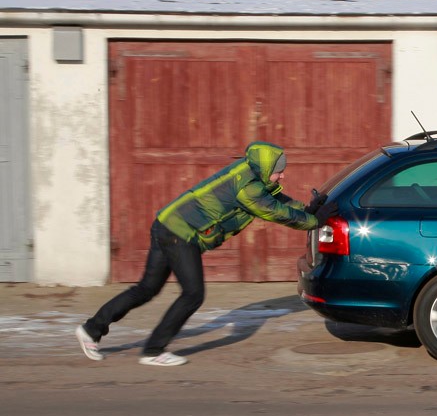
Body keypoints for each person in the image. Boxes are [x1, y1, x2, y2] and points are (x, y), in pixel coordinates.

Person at [74, 141, 337, 367]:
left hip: (166, 224)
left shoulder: (249, 172)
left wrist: (308, 209)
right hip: (180, 234)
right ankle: (153, 351)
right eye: (279, 172)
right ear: (267, 169)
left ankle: (91, 329)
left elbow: (273, 200)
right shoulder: (247, 188)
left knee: (146, 288)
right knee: (193, 294)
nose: (282, 176)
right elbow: (274, 211)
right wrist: (315, 221)